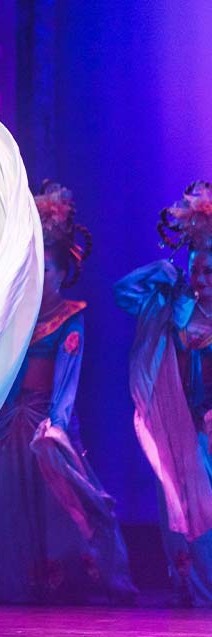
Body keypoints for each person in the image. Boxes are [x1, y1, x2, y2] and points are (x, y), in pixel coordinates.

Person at [0, 182, 136, 604]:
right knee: (16, 499)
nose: (39, 279)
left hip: (47, 419)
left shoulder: (72, 316)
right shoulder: (17, 318)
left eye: (46, 271)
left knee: (61, 500)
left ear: (62, 272)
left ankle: (71, 580)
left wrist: (58, 424)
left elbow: (68, 375)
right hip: (15, 420)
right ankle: (22, 581)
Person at [115, 180, 212, 606]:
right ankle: (193, 586)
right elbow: (123, 293)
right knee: (182, 504)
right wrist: (160, 273)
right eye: (196, 265)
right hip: (178, 422)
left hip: (208, 421)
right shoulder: (170, 304)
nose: (201, 275)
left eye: (210, 268)